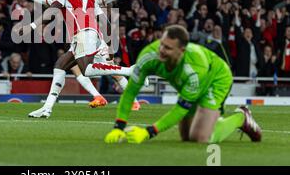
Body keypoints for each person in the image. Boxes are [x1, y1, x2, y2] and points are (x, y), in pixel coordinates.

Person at [7, 0, 134, 118]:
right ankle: (47, 108)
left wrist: (31, 26)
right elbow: (104, 21)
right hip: (89, 34)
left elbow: (52, 10)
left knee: (86, 70)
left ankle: (130, 70)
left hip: (83, 33)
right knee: (60, 65)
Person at [104, 25, 262, 144]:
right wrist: (119, 126)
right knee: (186, 137)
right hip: (193, 82)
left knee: (200, 137)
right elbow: (130, 92)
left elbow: (180, 109)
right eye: (161, 44)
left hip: (216, 78)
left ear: (182, 50)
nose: (161, 50)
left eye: (168, 48)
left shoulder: (193, 69)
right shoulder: (149, 56)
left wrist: (149, 132)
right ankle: (213, 121)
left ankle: (241, 118)